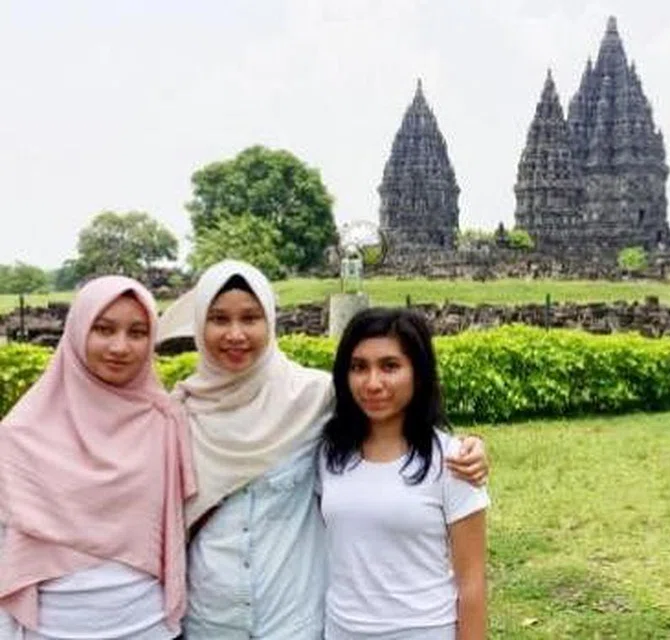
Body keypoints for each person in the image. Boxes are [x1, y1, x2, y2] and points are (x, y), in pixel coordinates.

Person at [158, 261, 488, 639]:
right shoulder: (175, 415)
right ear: (200, 324)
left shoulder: (311, 399)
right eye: (219, 319)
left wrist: (472, 448)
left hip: (293, 621)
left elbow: (389, 419)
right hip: (210, 620)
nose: (236, 334)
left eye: (250, 318)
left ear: (270, 322)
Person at [0, 277, 195, 640]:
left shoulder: (165, 422)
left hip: (147, 626)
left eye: (137, 333)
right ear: (77, 331)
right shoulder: (20, 433)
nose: (120, 347)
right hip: (54, 629)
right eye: (103, 329)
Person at [318, 308, 489, 640]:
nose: (372, 383)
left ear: (418, 373)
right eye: (358, 367)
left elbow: (472, 581)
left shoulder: (453, 460)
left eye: (390, 366)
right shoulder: (328, 453)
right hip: (341, 630)